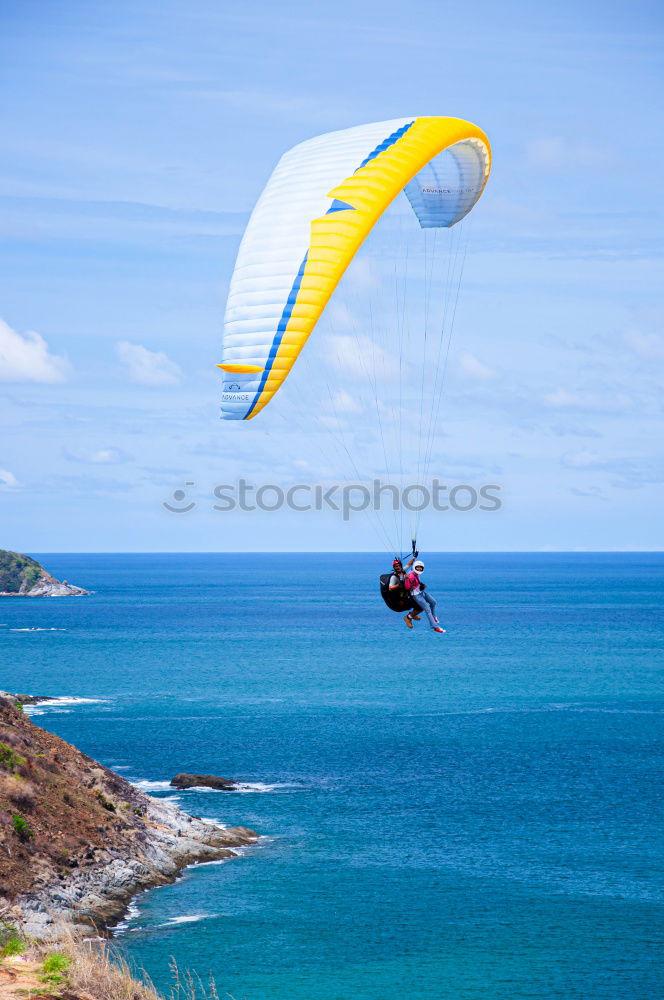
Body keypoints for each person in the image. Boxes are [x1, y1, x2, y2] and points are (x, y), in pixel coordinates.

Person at [403, 560, 445, 633]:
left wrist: (421, 584)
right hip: (416, 595)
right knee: (427, 609)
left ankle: (434, 617)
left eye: (420, 567)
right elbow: (407, 587)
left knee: (433, 602)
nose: (419, 569)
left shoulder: (415, 572)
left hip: (421, 592)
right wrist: (406, 579)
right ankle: (435, 627)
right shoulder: (411, 576)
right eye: (418, 567)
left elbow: (416, 579)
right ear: (415, 567)